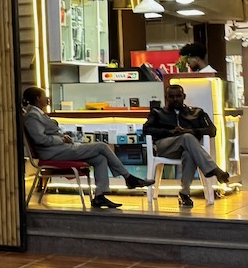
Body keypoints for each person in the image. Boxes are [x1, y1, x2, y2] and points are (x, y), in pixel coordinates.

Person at [22, 86, 152, 209]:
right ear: (38, 98)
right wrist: (61, 139)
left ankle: (100, 196)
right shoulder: (32, 116)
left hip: (60, 149)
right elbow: (40, 139)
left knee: (100, 159)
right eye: (44, 95)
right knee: (102, 146)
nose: (47, 98)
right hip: (53, 152)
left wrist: (63, 137)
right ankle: (128, 177)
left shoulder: (39, 114)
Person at [143, 83, 228, 208]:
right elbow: (146, 129)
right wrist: (170, 132)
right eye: (171, 97)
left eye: (178, 96)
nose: (175, 99)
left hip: (188, 148)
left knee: (189, 152)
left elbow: (212, 130)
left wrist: (192, 131)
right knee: (187, 138)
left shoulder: (196, 112)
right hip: (166, 146)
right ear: (166, 98)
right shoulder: (157, 112)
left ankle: (184, 193)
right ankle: (214, 170)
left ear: (184, 96)